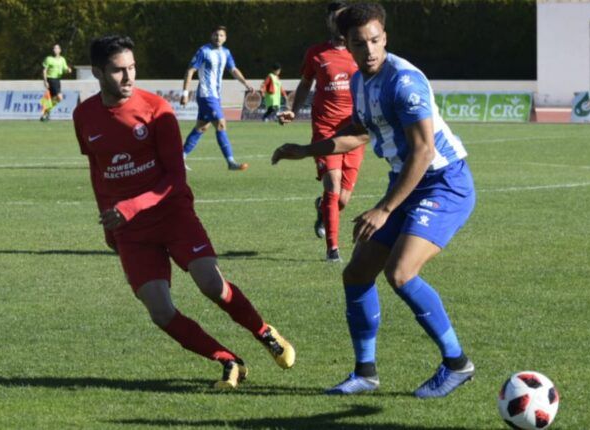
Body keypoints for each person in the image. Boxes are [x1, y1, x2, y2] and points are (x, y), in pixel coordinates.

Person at [272, 3, 475, 398]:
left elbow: (422, 151)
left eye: (375, 40)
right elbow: (358, 131)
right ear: (345, 45)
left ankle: (457, 363)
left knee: (400, 273)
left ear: (385, 37)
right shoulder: (360, 81)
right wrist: (307, 149)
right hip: (408, 182)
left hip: (443, 183)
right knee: (357, 273)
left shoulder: (404, 82)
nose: (369, 50)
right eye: (359, 43)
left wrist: (384, 209)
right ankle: (365, 373)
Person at [73, 35, 295, 389]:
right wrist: (108, 224)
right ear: (98, 72)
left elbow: (176, 177)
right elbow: (98, 172)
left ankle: (264, 332)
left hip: (171, 213)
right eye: (118, 70)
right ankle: (228, 360)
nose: (129, 77)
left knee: (211, 284)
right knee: (160, 312)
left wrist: (130, 207)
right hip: (131, 231)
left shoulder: (156, 108)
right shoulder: (83, 115)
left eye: (132, 68)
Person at [278, 1, 365, 263]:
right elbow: (305, 85)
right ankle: (333, 250)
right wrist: (294, 109)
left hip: (354, 131)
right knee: (332, 185)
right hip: (325, 129)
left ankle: (321, 210)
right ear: (328, 22)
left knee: (343, 199)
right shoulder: (316, 53)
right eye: (334, 19)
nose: (338, 24)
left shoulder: (361, 50)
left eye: (343, 19)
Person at [180, 26, 253, 171]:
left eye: (221, 35)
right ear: (211, 36)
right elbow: (190, 71)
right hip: (206, 95)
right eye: (215, 35)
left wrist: (246, 83)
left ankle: (180, 158)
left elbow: (233, 70)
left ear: (225, 38)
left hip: (215, 95)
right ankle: (231, 161)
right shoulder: (203, 51)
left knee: (201, 127)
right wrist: (185, 93)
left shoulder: (226, 52)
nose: (218, 38)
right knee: (221, 124)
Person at [41, 44, 72, 121]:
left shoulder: (62, 59)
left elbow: (65, 69)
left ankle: (45, 113)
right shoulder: (49, 59)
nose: (55, 50)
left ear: (60, 50)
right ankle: (47, 110)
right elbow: (44, 70)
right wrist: (45, 81)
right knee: (59, 97)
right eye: (54, 48)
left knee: (52, 98)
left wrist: (68, 70)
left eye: (57, 48)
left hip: (57, 80)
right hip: (51, 79)